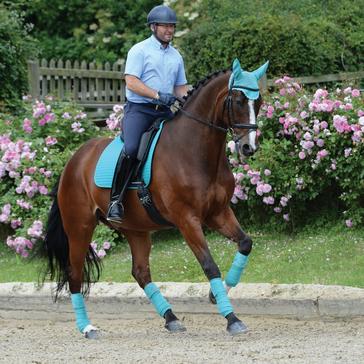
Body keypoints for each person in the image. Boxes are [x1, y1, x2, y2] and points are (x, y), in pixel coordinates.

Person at [107, 4, 188, 223]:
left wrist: (190, 101)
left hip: (163, 111)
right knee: (132, 148)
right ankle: (115, 200)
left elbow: (181, 87)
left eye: (172, 26)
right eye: (165, 26)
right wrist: (157, 95)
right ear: (153, 27)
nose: (169, 30)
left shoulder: (176, 56)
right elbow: (131, 82)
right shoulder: (139, 50)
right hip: (139, 111)